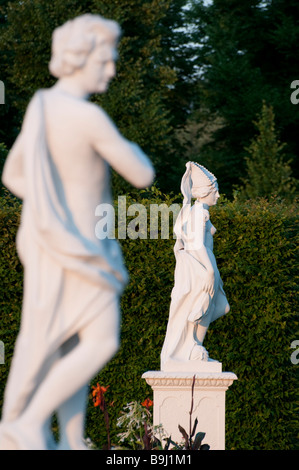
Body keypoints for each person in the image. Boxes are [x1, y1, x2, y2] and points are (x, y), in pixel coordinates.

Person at [0, 14, 154, 450]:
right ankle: (29, 422)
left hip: (54, 243)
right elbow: (142, 173)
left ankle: (69, 438)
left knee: (65, 343)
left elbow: (12, 175)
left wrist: (53, 210)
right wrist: (65, 217)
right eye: (106, 60)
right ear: (81, 58)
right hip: (82, 248)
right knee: (102, 339)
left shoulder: (41, 106)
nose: (111, 69)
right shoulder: (89, 118)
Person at [160, 161, 229, 370]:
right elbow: (196, 244)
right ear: (204, 192)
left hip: (206, 265)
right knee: (205, 308)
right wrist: (209, 271)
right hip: (202, 267)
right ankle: (192, 346)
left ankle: (193, 345)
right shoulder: (199, 212)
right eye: (215, 191)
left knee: (220, 307)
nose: (217, 196)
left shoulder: (199, 212)